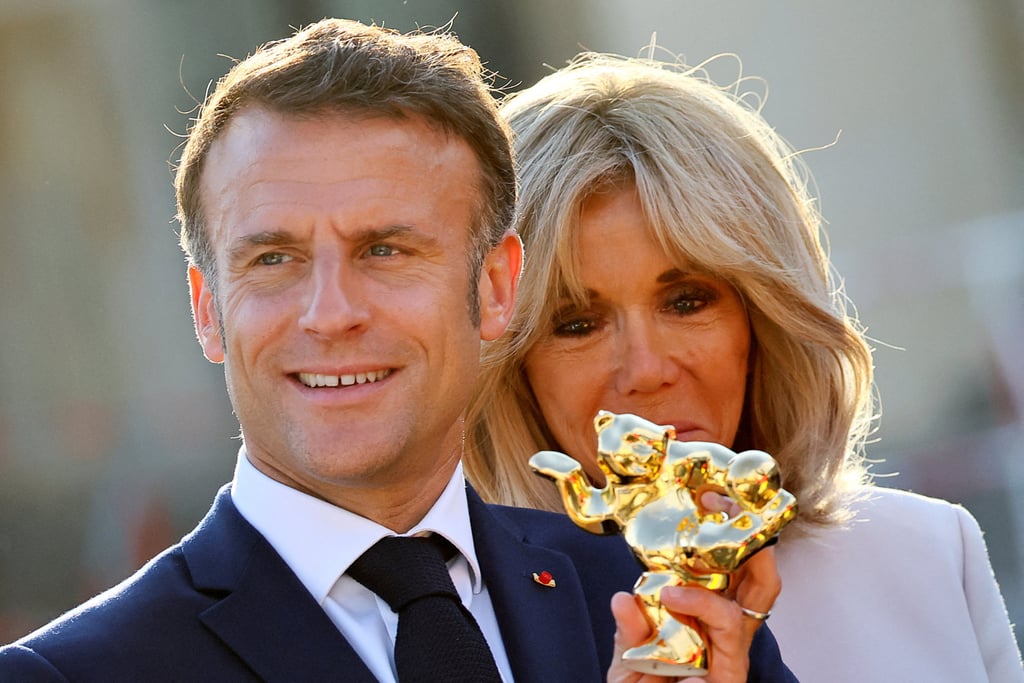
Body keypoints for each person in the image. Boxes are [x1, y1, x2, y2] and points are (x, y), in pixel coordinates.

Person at [0, 21, 796, 683]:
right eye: (273, 258)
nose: (331, 312)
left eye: (384, 250)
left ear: (493, 286)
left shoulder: (652, 592)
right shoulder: (72, 674)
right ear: (208, 309)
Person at [464, 52, 1024, 682]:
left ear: (763, 320)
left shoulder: (924, 552)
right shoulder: (440, 628)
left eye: (686, 302)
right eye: (576, 324)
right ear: (511, 368)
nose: (646, 370)